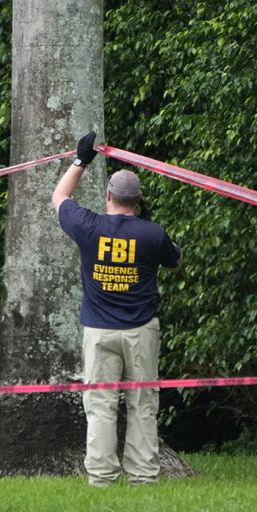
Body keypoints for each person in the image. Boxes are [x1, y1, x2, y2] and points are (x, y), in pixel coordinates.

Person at [52, 132, 182, 487]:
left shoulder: (88, 226)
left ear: (108, 196)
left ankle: (101, 478)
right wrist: (156, 230)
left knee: (100, 407)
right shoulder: (152, 233)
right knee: (143, 405)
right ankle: (142, 477)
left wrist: (81, 160)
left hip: (98, 331)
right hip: (141, 331)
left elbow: (60, 197)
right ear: (138, 201)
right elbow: (176, 259)